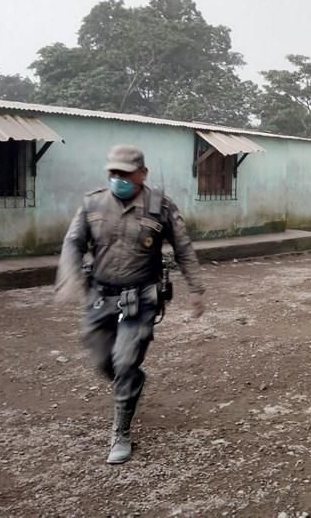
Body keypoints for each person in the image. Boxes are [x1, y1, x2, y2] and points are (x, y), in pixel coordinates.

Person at [55, 145, 205, 464]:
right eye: (113, 172)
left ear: (142, 173)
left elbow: (183, 248)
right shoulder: (93, 202)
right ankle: (132, 382)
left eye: (125, 173)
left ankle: (121, 431)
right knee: (102, 360)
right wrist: (69, 278)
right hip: (99, 297)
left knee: (124, 361)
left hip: (140, 299)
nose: (118, 178)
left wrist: (196, 290)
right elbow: (73, 242)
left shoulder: (160, 206)